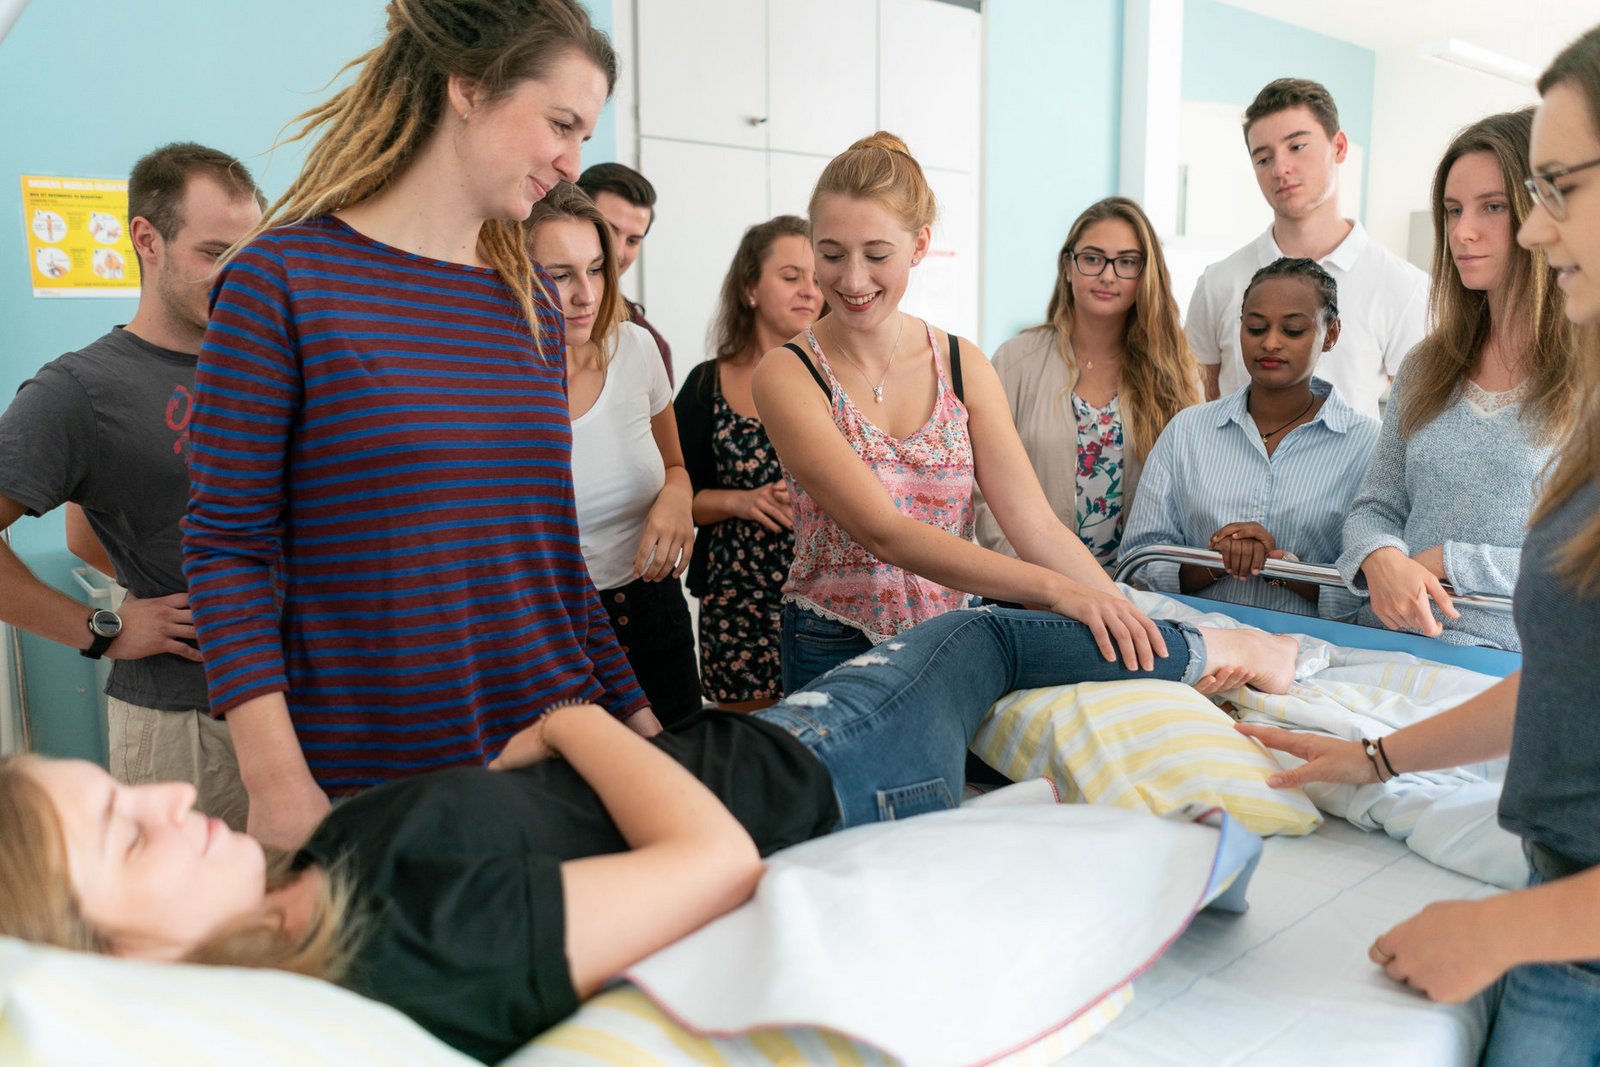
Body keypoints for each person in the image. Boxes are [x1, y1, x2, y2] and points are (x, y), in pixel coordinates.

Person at [0, 600, 1297, 1062]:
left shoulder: (305, 899)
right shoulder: (405, 941)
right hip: (813, 775)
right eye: (127, 827)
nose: (171, 792)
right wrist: (568, 720)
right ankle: (1234, 649)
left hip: (743, 747)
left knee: (995, 662)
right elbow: (712, 863)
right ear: (106, 953)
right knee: (988, 633)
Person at [182, 0, 656, 851]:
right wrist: (275, 777)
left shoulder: (532, 307)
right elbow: (226, 549)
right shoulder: (280, 283)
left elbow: (548, 550)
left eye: (583, 133)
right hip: (376, 770)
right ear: (469, 88)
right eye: (560, 123)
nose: (570, 160)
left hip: (552, 749)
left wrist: (637, 717)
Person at [1241, 28, 1600, 1065]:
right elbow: (1571, 683)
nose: (1528, 230)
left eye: (1553, 189)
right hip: (1556, 892)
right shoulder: (1444, 365)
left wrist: (1495, 931)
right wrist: (1371, 757)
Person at [752, 132, 1226, 694]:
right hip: (834, 644)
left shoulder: (960, 364)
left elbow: (1036, 525)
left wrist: (1124, 616)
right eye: (831, 255)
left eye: (877, 255)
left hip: (954, 638)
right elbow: (886, 533)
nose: (852, 280)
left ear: (919, 244)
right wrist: (1054, 591)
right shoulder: (788, 373)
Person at [0, 143, 264, 829]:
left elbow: (87, 530)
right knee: (199, 934)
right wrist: (106, 628)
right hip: (189, 728)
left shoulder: (263, 365)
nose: (236, 277)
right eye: (213, 254)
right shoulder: (81, 390)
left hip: (303, 707)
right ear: (147, 239)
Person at [1335, 109, 1578, 651]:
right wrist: (1380, 556)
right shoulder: (1427, 364)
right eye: (1452, 210)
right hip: (1385, 647)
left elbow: (1585, 565)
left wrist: (1450, 561)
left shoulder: (1587, 377)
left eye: (1491, 207)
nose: (1462, 232)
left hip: (1508, 666)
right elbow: (1375, 507)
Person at [524, 183, 702, 726]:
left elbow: (676, 466)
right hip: (559, 630)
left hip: (655, 611)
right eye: (560, 275)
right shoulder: (504, 383)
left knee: (683, 783)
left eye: (597, 269)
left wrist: (678, 496)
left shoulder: (636, 347)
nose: (586, 294)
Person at [1123, 258, 1379, 617]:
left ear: (1331, 334)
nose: (1271, 343)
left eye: (1292, 331)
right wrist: (1214, 562)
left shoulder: (1369, 445)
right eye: (1256, 328)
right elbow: (1136, 564)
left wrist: (1282, 569)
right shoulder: (1188, 431)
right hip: (1193, 641)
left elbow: (1376, 593)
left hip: (1316, 654)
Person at [973, 196, 1199, 571]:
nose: (1108, 275)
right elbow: (983, 488)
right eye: (1093, 259)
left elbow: (1187, 495)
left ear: (1146, 273)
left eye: (1126, 262)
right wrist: (1029, 582)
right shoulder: (1016, 361)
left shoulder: (1174, 372)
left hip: (1134, 599)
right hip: (1031, 590)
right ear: (1068, 266)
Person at [1186, 78, 1429, 419]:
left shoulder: (1404, 287)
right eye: (1263, 158)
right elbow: (1201, 403)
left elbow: (1414, 423)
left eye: (1297, 147)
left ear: (1339, 147)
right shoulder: (1218, 283)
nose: (1280, 168)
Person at [676, 216, 820, 709]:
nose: (809, 290)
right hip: (735, 601)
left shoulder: (842, 385)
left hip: (825, 601)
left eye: (817, 277)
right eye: (790, 276)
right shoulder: (704, 385)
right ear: (750, 289)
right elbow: (674, 501)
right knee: (744, 749)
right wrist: (740, 501)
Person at [576, 161, 672, 381]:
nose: (618, 252)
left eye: (632, 240)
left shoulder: (650, 346)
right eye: (609, 230)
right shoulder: (516, 309)